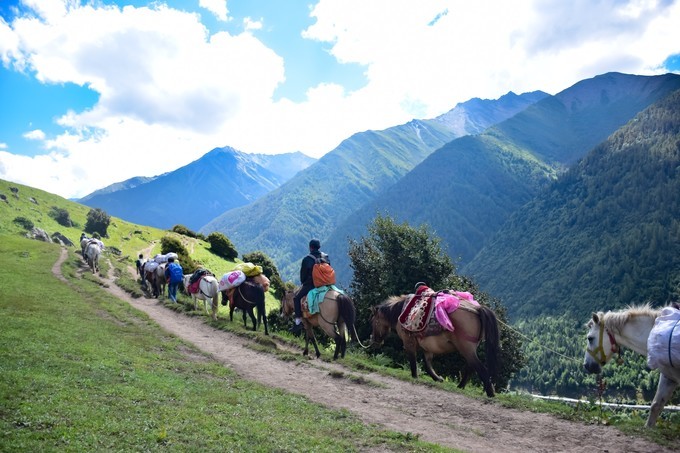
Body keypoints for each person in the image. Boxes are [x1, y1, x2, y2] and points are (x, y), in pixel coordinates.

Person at [290, 238, 329, 335]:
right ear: (319, 247)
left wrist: (304, 283)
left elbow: (303, 277)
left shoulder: (307, 259)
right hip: (325, 284)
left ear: (310, 247)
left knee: (296, 298)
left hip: (311, 285)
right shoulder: (326, 257)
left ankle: (298, 322)